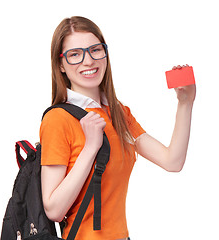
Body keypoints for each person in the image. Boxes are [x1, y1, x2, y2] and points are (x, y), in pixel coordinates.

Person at [40, 16, 196, 240]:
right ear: (61, 65)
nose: (88, 61)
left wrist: (185, 102)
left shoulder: (118, 113)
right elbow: (53, 210)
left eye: (95, 50)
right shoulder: (58, 119)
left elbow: (172, 161)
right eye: (75, 54)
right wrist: (91, 147)